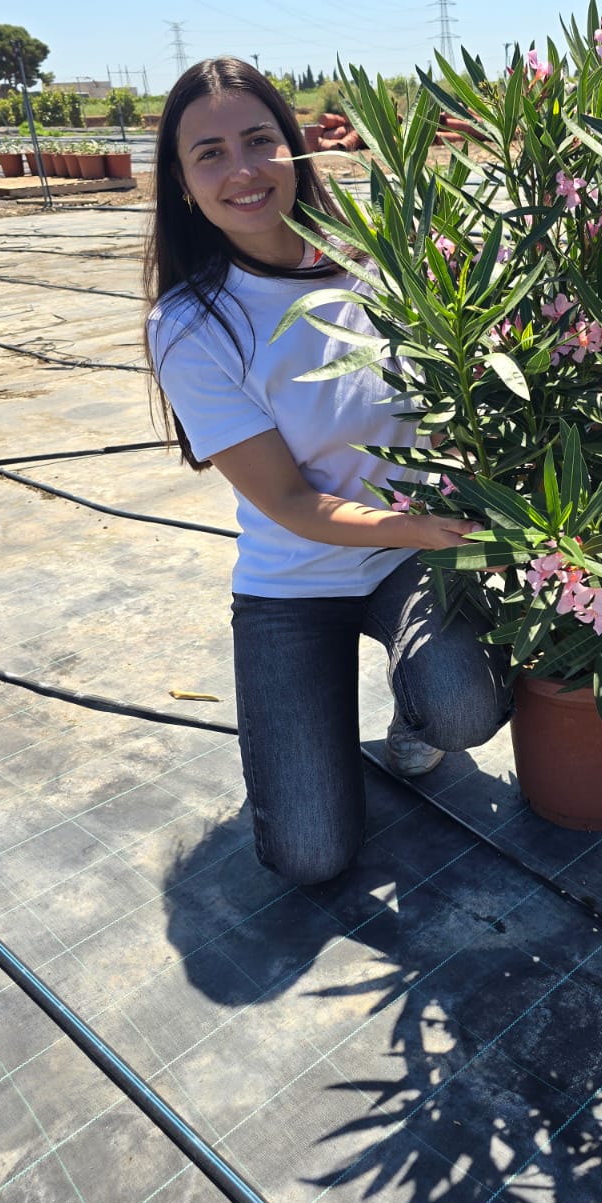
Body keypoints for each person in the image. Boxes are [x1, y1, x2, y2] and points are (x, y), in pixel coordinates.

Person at [144, 57, 509, 884]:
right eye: (210, 154)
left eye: (259, 140)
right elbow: (288, 501)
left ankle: (418, 708)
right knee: (309, 856)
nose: (243, 170)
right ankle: (304, 746)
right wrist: (428, 529)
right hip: (294, 583)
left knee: (463, 709)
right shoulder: (192, 324)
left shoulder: (379, 259)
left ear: (297, 146)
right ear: (182, 181)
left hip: (407, 560)